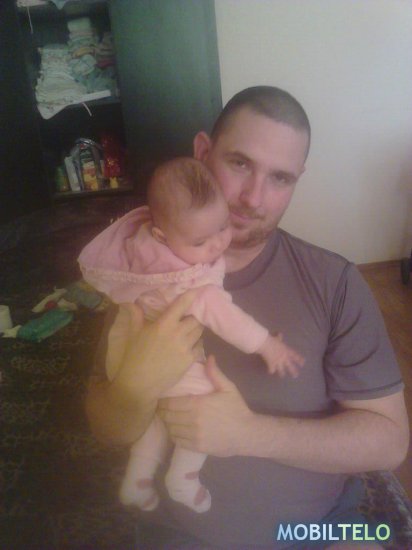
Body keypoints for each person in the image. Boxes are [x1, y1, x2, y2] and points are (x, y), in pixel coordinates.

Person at [84, 86, 409, 549]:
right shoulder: (142, 277)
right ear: (203, 153)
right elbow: (106, 432)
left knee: (369, 540)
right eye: (240, 164)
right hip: (184, 536)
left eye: (280, 178)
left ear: (298, 179)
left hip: (321, 528)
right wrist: (134, 387)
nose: (254, 198)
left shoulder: (335, 281)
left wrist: (249, 434)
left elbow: (391, 443)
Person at [78, 157, 303, 515]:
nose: (217, 244)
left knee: (156, 416)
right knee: (205, 407)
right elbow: (226, 318)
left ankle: (137, 480)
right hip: (155, 355)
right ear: (162, 237)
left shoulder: (143, 247)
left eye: (222, 226)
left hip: (123, 351)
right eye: (201, 241)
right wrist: (266, 344)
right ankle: (183, 480)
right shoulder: (188, 281)